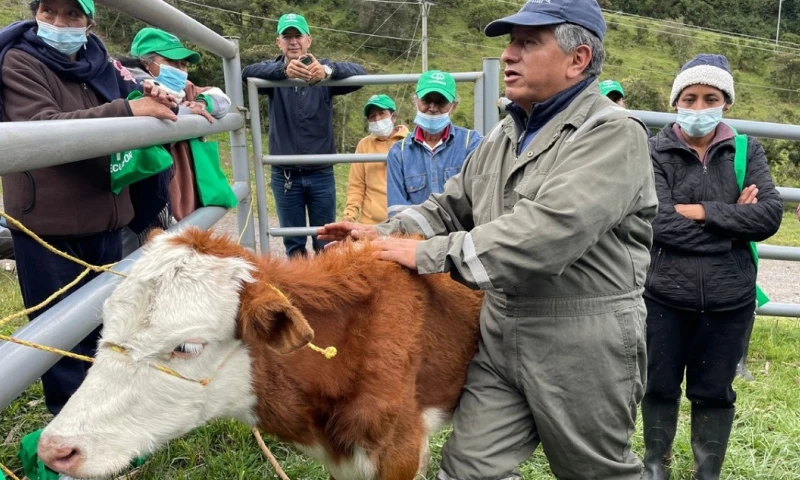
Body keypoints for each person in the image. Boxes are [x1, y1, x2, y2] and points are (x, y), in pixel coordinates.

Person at [319, 1, 656, 478]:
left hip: (579, 341)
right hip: (500, 330)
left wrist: (427, 253)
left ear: (577, 59)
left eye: (527, 43)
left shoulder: (611, 134)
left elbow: (547, 233)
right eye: (510, 43)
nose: (509, 56)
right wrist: (382, 234)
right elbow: (451, 204)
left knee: (596, 472)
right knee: (469, 470)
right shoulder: (506, 132)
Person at [0, 0, 177, 415]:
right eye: (49, 11)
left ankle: (104, 413)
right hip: (49, 224)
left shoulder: (101, 63)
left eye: (72, 15)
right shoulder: (18, 62)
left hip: (107, 214)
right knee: (57, 335)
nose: (59, 23)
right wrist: (128, 111)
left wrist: (146, 95)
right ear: (35, 13)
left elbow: (130, 96)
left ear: (89, 22)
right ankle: (67, 424)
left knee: (104, 320)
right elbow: (40, 128)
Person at [642, 54, 783, 480]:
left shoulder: (745, 149)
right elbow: (657, 221)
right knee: (659, 386)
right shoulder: (654, 150)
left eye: (710, 98)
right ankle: (655, 466)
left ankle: (708, 472)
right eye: (690, 97)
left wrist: (701, 211)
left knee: (715, 392)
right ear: (675, 102)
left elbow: (769, 216)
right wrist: (731, 223)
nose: (699, 107)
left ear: (726, 102)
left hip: (729, 299)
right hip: (664, 294)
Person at [242, 13, 365, 257]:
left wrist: (327, 72)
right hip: (285, 174)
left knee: (326, 243)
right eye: (286, 36)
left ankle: (327, 292)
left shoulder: (323, 70)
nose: (293, 41)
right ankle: (300, 294)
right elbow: (246, 72)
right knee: (294, 244)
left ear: (309, 40)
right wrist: (283, 72)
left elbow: (359, 73)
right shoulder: (272, 73)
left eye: (298, 35)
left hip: (321, 174)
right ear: (279, 43)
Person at [118, 27, 232, 255]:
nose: (180, 70)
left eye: (184, 64)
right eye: (172, 61)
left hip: (181, 201)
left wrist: (203, 104)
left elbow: (222, 97)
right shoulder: (129, 88)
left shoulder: (184, 89)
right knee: (139, 261)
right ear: (147, 63)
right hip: (144, 205)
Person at [386, 70, 481, 216]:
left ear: (453, 107)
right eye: (426, 100)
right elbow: (397, 213)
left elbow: (478, 202)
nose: (432, 107)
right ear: (415, 103)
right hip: (416, 236)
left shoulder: (472, 143)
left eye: (440, 102)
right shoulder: (398, 153)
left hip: (459, 236)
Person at [342, 94, 409, 224]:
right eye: (372, 116)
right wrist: (349, 215)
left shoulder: (410, 142)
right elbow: (356, 184)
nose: (377, 119)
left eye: (381, 114)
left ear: (393, 117)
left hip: (404, 221)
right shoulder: (364, 145)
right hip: (372, 223)